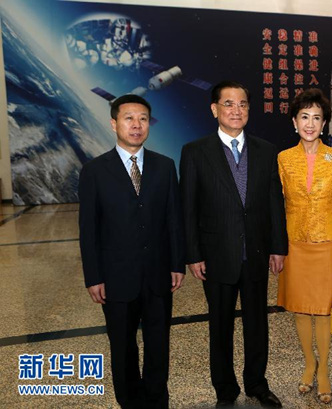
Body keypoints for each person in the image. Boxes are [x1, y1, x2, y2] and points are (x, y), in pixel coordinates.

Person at [179, 81, 288, 408]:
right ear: (215, 109)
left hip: (255, 253)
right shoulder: (195, 151)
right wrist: (193, 253)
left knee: (257, 325)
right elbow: (188, 207)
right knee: (220, 325)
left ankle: (257, 384)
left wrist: (278, 247)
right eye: (228, 104)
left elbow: (274, 203)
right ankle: (225, 389)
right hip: (216, 255)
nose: (236, 110)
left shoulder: (266, 150)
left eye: (242, 104)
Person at [79, 94, 185, 409]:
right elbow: (88, 229)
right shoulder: (95, 171)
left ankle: (157, 401)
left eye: (142, 119)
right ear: (114, 124)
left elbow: (173, 219)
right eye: (129, 118)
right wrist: (93, 276)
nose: (136, 125)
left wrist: (176, 263)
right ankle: (130, 402)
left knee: (158, 345)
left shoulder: (165, 166)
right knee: (123, 347)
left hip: (157, 274)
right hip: (116, 277)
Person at [276, 88, 332, 404]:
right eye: (304, 117)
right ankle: (309, 364)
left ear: (324, 124)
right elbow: (276, 206)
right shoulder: (283, 158)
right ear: (294, 122)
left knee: (322, 309)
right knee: (299, 308)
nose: (310, 124)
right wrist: (276, 247)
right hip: (294, 243)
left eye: (316, 118)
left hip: (328, 243)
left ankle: (324, 371)